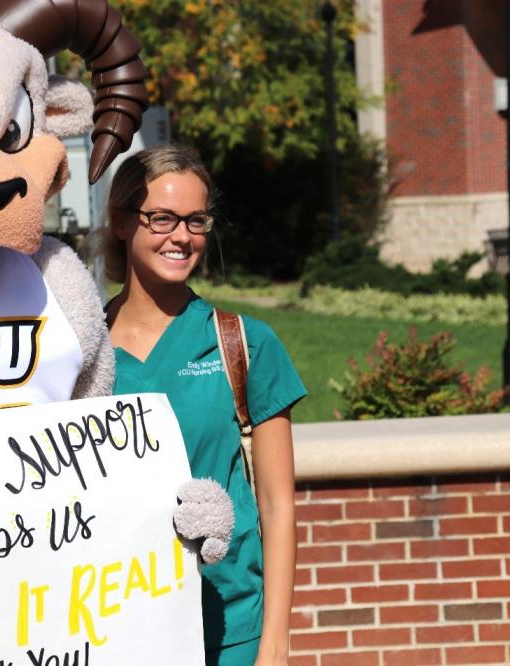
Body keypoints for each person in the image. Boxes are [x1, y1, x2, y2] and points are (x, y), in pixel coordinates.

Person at [99, 145, 307, 666]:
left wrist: (274, 647)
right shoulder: (80, 353)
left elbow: (279, 507)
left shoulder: (244, 344)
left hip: (230, 630)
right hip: (119, 630)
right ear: (122, 223)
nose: (182, 236)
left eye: (196, 220)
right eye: (162, 218)